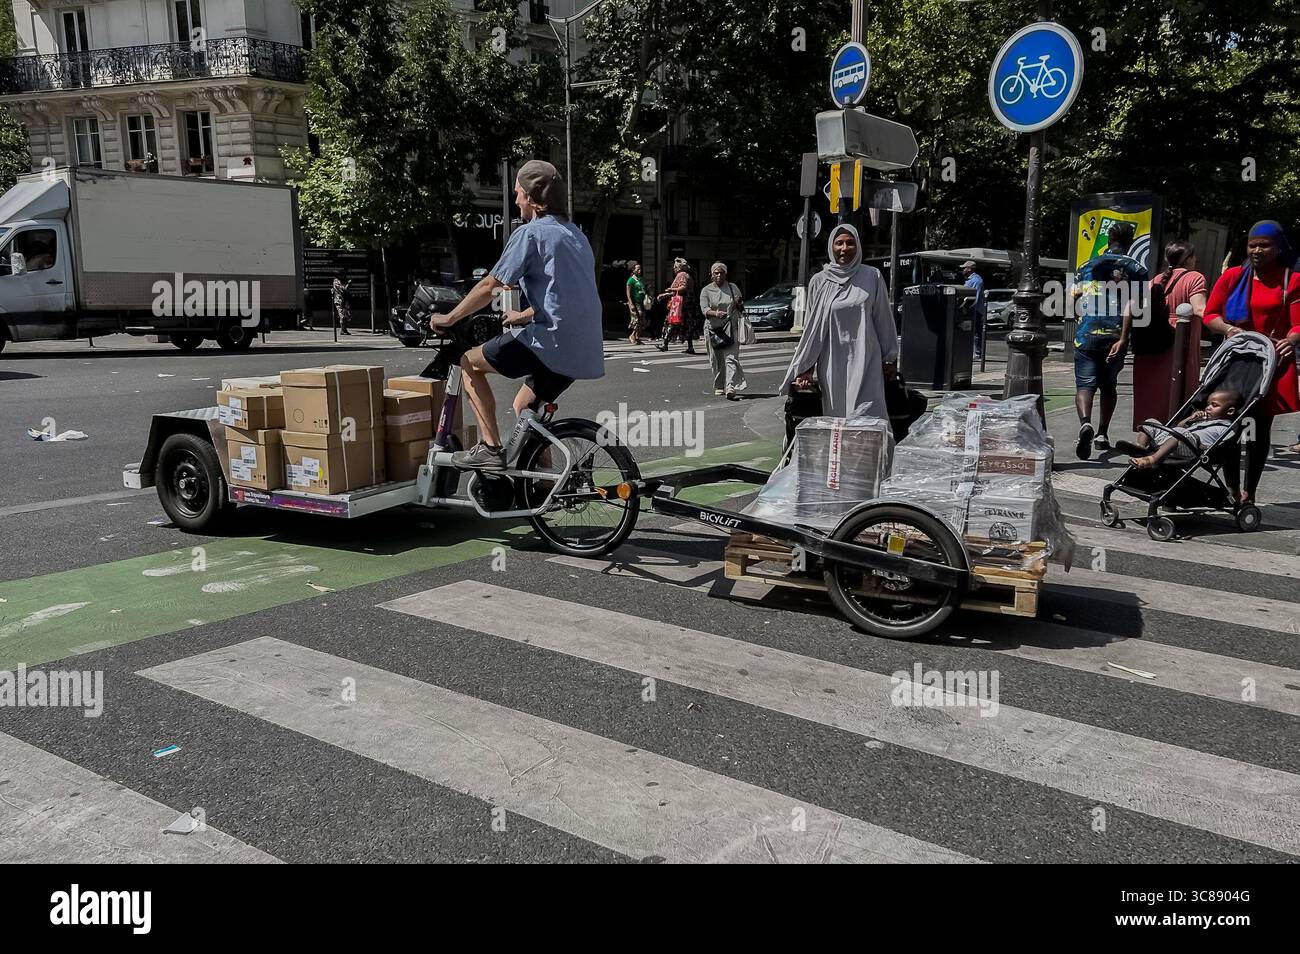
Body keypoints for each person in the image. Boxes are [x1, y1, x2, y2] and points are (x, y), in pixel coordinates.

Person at [430, 159, 603, 470]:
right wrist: (524, 315)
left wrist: (450, 318)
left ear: (532, 198)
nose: (516, 200)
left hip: (552, 342)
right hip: (585, 348)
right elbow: (566, 295)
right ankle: (545, 481)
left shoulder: (531, 233)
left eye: (518, 193)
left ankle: (490, 449)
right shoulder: (576, 236)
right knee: (526, 408)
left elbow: (491, 284)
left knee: (469, 362)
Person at [1202, 220, 1300, 503]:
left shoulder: (1290, 280)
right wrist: (1228, 329)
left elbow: (1297, 324)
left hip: (1270, 366)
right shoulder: (1232, 276)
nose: (1257, 250)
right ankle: (1232, 487)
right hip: (1235, 363)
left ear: (1278, 246)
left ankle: (1250, 493)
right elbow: (1210, 315)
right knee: (1227, 427)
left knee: (1257, 433)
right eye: (1252, 245)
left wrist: (1290, 341)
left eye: (1264, 245)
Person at [780, 223, 899, 421]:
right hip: (832, 362)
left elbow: (883, 320)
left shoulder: (872, 276)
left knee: (868, 416)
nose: (844, 248)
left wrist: (890, 359)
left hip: (867, 359)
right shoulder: (820, 281)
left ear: (858, 246)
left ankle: (869, 453)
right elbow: (813, 329)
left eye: (850, 243)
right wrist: (806, 368)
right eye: (839, 243)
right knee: (837, 419)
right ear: (831, 247)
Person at [1071, 221, 1148, 459]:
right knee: (1109, 386)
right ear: (1131, 240)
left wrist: (1081, 321)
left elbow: (1075, 299)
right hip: (1114, 335)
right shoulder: (1136, 269)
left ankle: (1085, 423)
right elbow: (1132, 305)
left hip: (1086, 333)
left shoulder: (1087, 265)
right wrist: (1123, 338)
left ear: (1109, 238)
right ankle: (1102, 433)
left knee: (1085, 385)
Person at [1124, 239, 1208, 432]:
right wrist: (1226, 324)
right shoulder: (1195, 278)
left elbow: (1132, 306)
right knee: (1177, 386)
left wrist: (1123, 338)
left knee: (1152, 388)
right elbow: (1199, 308)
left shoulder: (1155, 280)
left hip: (1151, 338)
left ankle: (1148, 430)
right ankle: (1173, 432)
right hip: (1178, 339)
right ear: (1189, 258)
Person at [1121, 388, 1239, 469]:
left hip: (1191, 450)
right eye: (1208, 404)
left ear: (1230, 411)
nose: (1208, 408)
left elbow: (1219, 446)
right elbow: (1178, 427)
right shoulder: (1202, 420)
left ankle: (1153, 460)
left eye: (1214, 405)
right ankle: (1140, 447)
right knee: (1150, 422)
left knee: (1180, 434)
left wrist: (1200, 445)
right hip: (1173, 441)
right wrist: (1190, 419)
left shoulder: (1226, 428)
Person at [699, 261, 749, 399]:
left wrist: (739, 305)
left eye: (721, 272)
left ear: (726, 274)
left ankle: (730, 386)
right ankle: (719, 385)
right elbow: (704, 309)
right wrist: (716, 313)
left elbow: (740, 305)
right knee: (717, 360)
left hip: (731, 327)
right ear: (712, 274)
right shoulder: (706, 291)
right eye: (716, 273)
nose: (719, 275)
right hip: (713, 329)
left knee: (731, 358)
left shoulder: (733, 288)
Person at [656, 258, 698, 355]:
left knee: (672, 323)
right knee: (687, 325)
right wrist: (664, 295)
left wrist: (671, 288)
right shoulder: (688, 275)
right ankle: (690, 347)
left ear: (678, 268)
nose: (673, 269)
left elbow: (683, 288)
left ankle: (665, 344)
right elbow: (677, 291)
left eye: (674, 267)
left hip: (681, 305)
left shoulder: (681, 275)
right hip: (688, 304)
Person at [961, 260, 986, 360]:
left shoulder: (977, 280)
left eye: (964, 268)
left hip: (975, 310)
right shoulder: (971, 280)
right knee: (970, 331)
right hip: (970, 309)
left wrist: (967, 308)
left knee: (976, 332)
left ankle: (977, 353)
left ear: (969, 269)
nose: (963, 269)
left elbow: (976, 297)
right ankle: (973, 352)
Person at [625, 261, 648, 345]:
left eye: (640, 269)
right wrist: (630, 303)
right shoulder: (630, 280)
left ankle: (637, 337)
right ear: (633, 270)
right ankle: (632, 335)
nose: (640, 271)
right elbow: (628, 293)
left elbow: (644, 289)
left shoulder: (641, 279)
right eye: (638, 269)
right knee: (637, 319)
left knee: (642, 320)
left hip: (642, 303)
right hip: (635, 303)